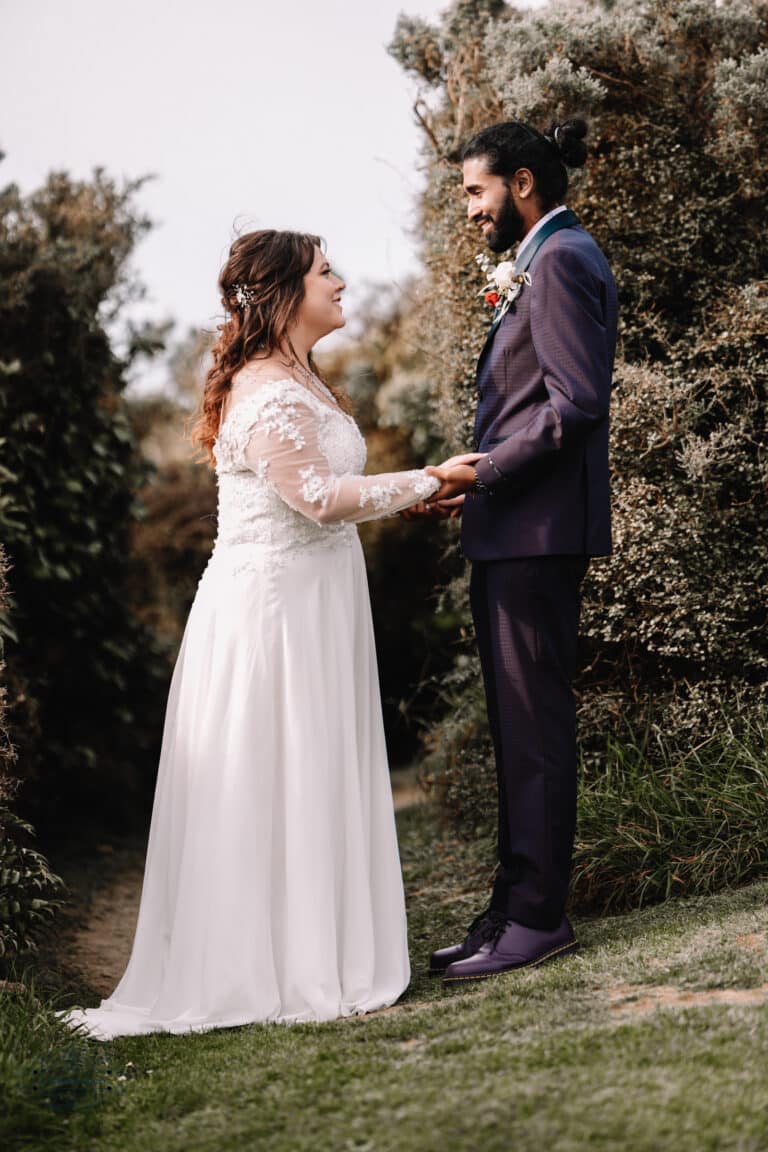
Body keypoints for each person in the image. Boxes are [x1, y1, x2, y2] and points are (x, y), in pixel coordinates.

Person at [66, 229, 447, 1038]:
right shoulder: (267, 389)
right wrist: (429, 477)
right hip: (272, 614)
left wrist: (408, 500)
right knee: (279, 770)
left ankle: (317, 949)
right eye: (325, 272)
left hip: (315, 598)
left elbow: (322, 484)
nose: (342, 283)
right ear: (282, 294)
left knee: (310, 767)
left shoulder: (300, 377)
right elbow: (316, 497)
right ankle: (271, 966)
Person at [426, 119, 618, 983]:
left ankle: (539, 918)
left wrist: (485, 471)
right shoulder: (540, 259)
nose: (470, 210)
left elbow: (575, 404)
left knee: (533, 726)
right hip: (512, 530)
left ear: (525, 183)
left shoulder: (565, 258)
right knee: (516, 726)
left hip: (537, 531)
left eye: (477, 191)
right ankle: (510, 906)